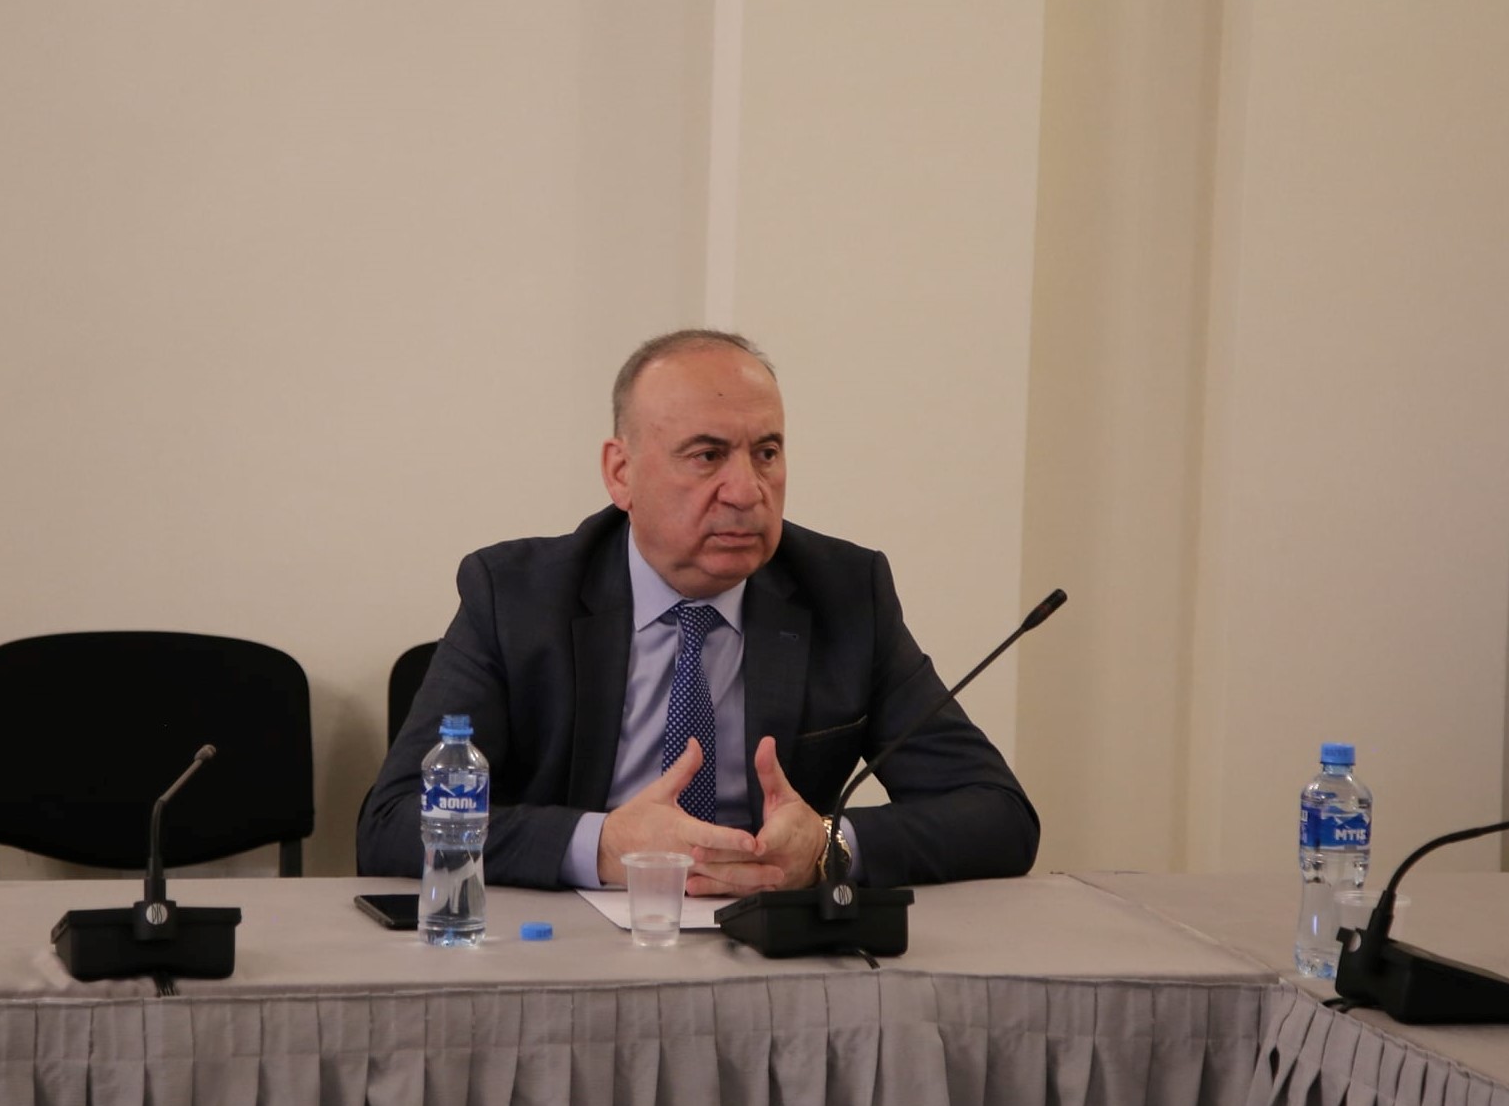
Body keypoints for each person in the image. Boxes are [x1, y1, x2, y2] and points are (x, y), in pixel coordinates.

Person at [355, 330, 1038, 894]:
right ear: (621, 472)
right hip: (570, 943)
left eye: (766, 453)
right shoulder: (517, 595)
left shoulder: (844, 592)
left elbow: (997, 813)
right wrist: (600, 845)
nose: (745, 490)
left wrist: (828, 846)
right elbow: (392, 822)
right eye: (707, 456)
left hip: (771, 950)